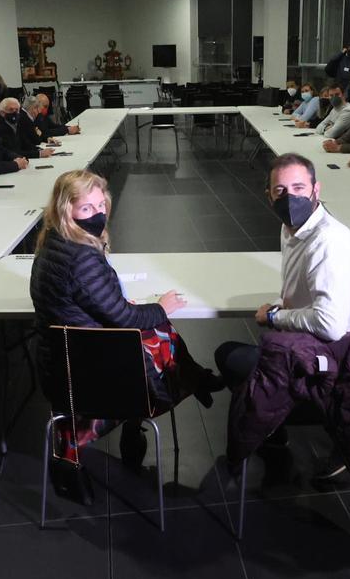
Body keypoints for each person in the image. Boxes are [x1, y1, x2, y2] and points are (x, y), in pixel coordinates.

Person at [30, 169, 225, 503]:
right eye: (86, 209)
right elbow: (123, 317)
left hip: (59, 361)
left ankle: (196, 379)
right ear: (66, 210)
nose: (97, 214)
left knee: (158, 330)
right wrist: (161, 307)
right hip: (86, 375)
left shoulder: (53, 240)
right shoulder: (82, 259)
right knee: (159, 331)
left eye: (100, 205)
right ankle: (189, 382)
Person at [213, 153, 350, 482]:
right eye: (280, 190)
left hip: (336, 362)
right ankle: (275, 425)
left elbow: (331, 324)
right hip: (308, 345)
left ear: (316, 189)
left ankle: (303, 425)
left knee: (228, 356)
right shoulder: (294, 227)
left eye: (299, 187)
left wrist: (275, 316)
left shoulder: (329, 243)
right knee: (247, 352)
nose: (290, 197)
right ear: (267, 194)